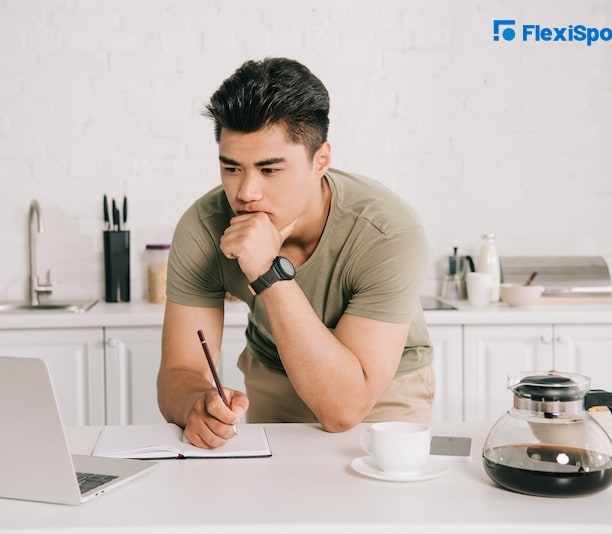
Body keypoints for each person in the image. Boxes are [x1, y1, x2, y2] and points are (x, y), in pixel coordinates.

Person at [157, 57, 433, 449]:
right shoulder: (203, 227)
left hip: (381, 387)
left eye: (270, 170)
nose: (246, 193)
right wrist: (194, 404)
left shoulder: (387, 232)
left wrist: (267, 270)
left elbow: (343, 408)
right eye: (232, 168)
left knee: (378, 504)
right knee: (279, 504)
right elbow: (180, 369)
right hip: (274, 375)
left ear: (320, 160)